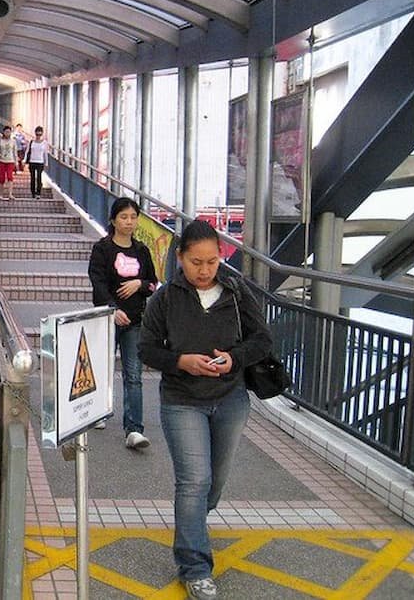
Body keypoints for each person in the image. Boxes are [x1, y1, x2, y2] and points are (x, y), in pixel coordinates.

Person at [138, 220, 271, 600]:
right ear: (180, 258)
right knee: (194, 482)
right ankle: (195, 566)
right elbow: (146, 349)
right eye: (196, 262)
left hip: (231, 399)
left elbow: (263, 339)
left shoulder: (235, 290)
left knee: (212, 485)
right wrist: (181, 361)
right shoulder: (165, 299)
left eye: (212, 261)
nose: (205, 270)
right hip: (182, 400)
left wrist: (234, 359)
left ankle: (192, 521)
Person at [88, 197, 158, 449]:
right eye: (124, 217)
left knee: (133, 374)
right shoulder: (102, 249)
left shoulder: (142, 250)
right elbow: (97, 281)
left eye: (133, 217)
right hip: (108, 318)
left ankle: (134, 429)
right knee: (101, 367)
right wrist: (112, 308)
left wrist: (139, 283)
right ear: (113, 220)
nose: (129, 222)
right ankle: (97, 411)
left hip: (135, 321)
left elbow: (153, 283)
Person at [25, 126, 51, 198]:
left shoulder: (44, 143)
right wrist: (24, 160)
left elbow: (45, 153)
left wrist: (46, 163)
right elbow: (27, 151)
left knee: (39, 177)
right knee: (32, 177)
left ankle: (38, 193)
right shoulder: (31, 142)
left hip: (40, 162)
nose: (38, 136)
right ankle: (33, 192)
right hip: (32, 161)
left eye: (40, 135)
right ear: (35, 134)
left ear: (42, 134)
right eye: (37, 134)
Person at [0, 125, 17, 200]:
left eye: (9, 132)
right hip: (1, 161)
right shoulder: (0, 140)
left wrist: (16, 162)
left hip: (10, 161)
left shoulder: (13, 141)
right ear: (3, 132)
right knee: (1, 178)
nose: (8, 133)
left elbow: (14, 152)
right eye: (6, 132)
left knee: (10, 177)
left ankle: (10, 194)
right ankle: (1, 194)